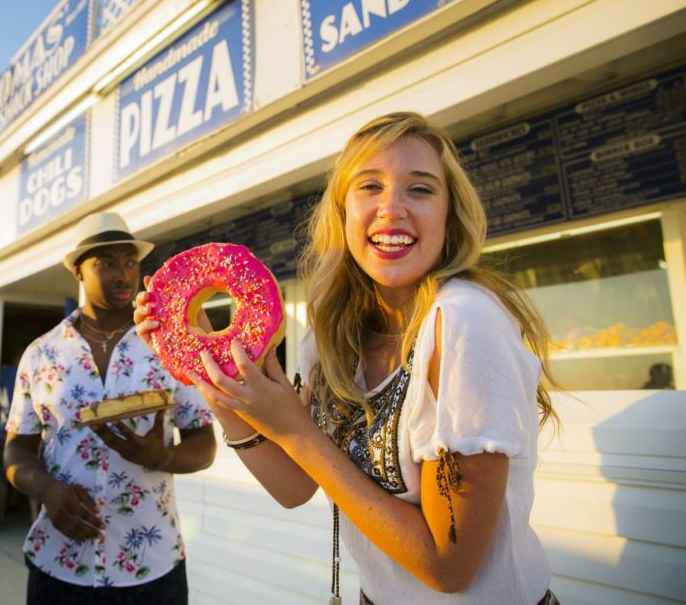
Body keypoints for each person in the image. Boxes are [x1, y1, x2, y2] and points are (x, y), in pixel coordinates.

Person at [137, 112, 561, 604]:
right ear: (341, 212)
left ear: (450, 214)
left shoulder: (465, 322)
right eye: (369, 187)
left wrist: (296, 429)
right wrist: (215, 378)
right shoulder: (336, 334)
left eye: (420, 190)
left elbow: (450, 565)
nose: (391, 209)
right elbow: (295, 486)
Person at [4, 212, 216, 605]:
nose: (123, 274)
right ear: (78, 273)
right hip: (60, 566)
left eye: (130, 261)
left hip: (150, 569)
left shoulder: (169, 345)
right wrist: (46, 489)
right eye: (106, 263)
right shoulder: (41, 353)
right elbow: (17, 448)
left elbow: (204, 442)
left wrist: (164, 455)